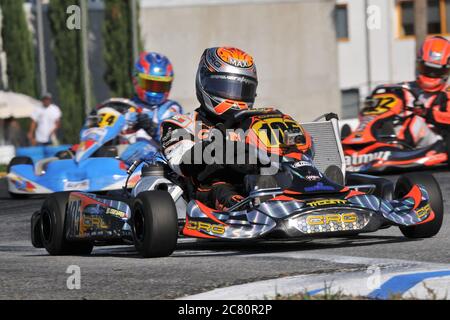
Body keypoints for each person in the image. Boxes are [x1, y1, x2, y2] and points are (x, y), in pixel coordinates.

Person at [161, 47, 280, 210]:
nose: (235, 97)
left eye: (242, 89)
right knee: (220, 188)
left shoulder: (253, 123)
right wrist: (218, 145)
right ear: (205, 81)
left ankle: (314, 190)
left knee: (275, 173)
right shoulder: (181, 123)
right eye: (225, 87)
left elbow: (273, 162)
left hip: (254, 185)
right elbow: (180, 164)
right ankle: (240, 208)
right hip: (206, 191)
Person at [368, 36, 450, 147]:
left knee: (417, 121)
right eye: (426, 69)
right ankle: (357, 143)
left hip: (437, 143)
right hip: (400, 134)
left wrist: (427, 113)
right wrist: (373, 106)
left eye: (436, 71)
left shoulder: (447, 93)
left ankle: (396, 148)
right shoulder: (404, 88)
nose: (431, 74)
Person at [119, 52, 183, 164]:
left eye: (160, 86)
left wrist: (151, 127)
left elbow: (176, 142)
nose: (155, 90)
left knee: (141, 148)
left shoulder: (170, 108)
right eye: (150, 84)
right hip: (119, 157)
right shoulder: (125, 106)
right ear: (136, 80)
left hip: (156, 163)